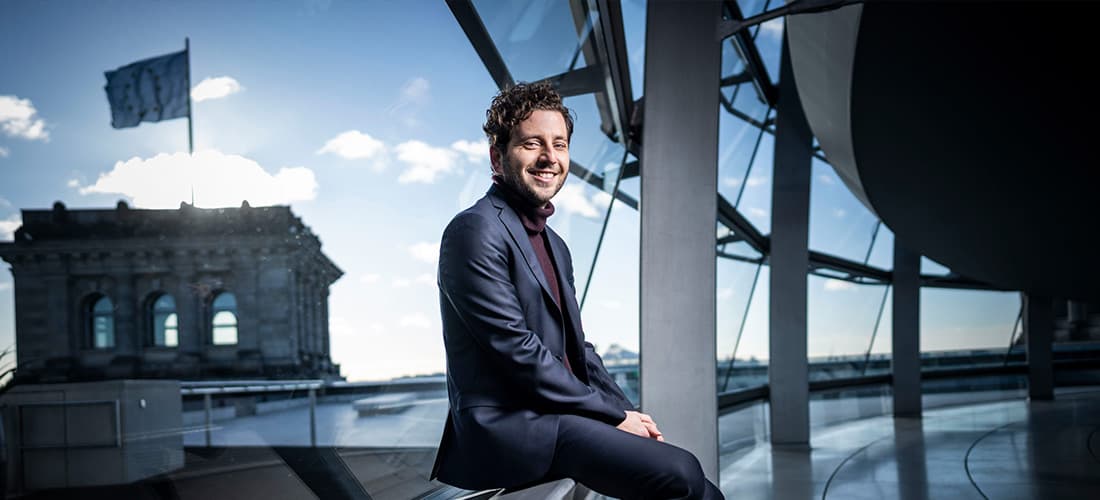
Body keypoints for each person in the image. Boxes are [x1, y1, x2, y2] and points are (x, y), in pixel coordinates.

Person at [430, 82, 723, 499]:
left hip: (555, 414)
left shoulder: (555, 245)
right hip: (510, 426)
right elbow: (516, 351)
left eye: (560, 144)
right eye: (533, 143)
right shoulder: (474, 229)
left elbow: (577, 348)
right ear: (497, 157)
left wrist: (627, 412)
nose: (550, 157)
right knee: (683, 473)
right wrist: (609, 415)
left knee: (697, 481)